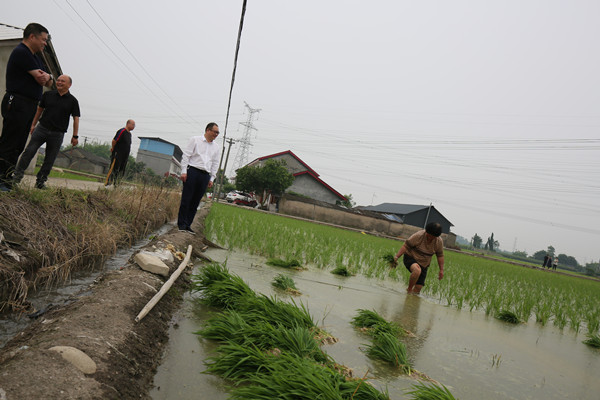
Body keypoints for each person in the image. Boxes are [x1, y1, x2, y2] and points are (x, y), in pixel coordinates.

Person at [0, 23, 54, 191]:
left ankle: (7, 178)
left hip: (29, 105)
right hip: (17, 102)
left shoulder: (36, 57)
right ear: (32, 37)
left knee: (19, 144)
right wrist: (46, 77)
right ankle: (1, 179)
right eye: (43, 40)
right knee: (10, 142)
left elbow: (49, 81)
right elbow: (40, 78)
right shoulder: (22, 52)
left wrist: (49, 76)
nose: (45, 43)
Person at [12, 75, 80, 189]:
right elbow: (39, 110)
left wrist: (75, 136)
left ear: (69, 85)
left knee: (50, 159)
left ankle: (40, 182)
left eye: (62, 81)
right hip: (42, 129)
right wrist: (33, 125)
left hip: (58, 134)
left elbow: (76, 119)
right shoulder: (48, 95)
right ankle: (16, 177)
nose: (59, 82)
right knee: (29, 152)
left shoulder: (73, 101)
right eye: (58, 80)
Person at [177, 122, 220, 234]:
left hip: (205, 175)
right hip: (192, 171)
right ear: (208, 130)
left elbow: (215, 163)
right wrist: (184, 171)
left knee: (196, 201)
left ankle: (188, 224)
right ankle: (181, 224)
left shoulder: (216, 147)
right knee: (187, 199)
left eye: (218, 133)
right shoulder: (195, 140)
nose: (216, 134)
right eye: (215, 132)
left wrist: (212, 178)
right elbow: (186, 156)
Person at [392, 222, 445, 294]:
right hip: (411, 257)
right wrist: (396, 257)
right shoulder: (419, 235)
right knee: (417, 270)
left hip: (424, 264)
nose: (430, 238)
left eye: (433, 237)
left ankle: (410, 299)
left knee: (417, 290)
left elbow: (440, 255)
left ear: (436, 236)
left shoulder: (439, 241)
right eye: (429, 235)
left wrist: (441, 270)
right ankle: (409, 290)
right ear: (426, 232)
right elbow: (406, 246)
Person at [105, 119, 135, 186]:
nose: (134, 126)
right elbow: (114, 140)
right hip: (118, 154)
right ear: (128, 124)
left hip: (125, 156)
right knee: (114, 168)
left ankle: (116, 184)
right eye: (133, 125)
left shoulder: (129, 134)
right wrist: (113, 148)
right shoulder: (122, 131)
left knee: (121, 170)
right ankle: (108, 184)